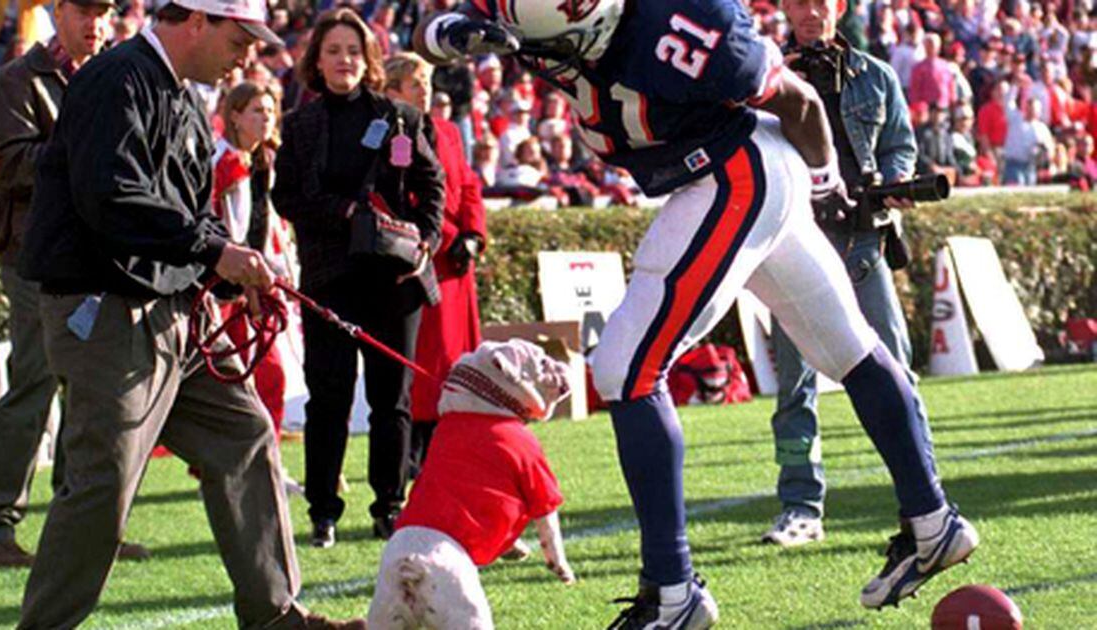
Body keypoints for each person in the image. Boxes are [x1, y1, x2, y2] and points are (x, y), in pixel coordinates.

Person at [416, 0, 978, 626]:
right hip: (720, 176)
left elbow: (799, 103)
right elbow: (427, 36)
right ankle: (934, 523)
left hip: (735, 172)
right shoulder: (525, 13)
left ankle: (672, 591)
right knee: (846, 346)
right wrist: (457, 34)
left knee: (626, 367)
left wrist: (826, 189)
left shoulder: (681, 22)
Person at [13, 0, 363, 625]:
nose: (248, 53)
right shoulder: (117, 78)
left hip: (172, 310)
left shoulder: (175, 93)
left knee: (246, 435)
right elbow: (112, 197)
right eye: (240, 36)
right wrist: (216, 252)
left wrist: (227, 272)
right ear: (196, 21)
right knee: (103, 487)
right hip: (110, 314)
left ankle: (276, 616)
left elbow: (183, 214)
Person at [0, 0, 150, 569]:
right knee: (34, 385)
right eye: (84, 10)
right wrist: (86, 156)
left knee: (91, 392)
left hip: (93, 256)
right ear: (58, 12)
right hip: (34, 257)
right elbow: (3, 167)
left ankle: (88, 530)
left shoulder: (114, 74)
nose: (95, 21)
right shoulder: (15, 82)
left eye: (104, 11)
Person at [272, 7, 444, 550]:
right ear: (316, 63)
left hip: (394, 277)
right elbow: (286, 197)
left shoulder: (401, 118)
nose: (344, 60)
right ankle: (323, 510)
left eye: (353, 50)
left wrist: (424, 239)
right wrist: (342, 212)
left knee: (392, 398)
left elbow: (431, 185)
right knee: (329, 397)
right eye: (332, 51)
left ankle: (388, 506)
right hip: (329, 275)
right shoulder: (300, 125)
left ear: (369, 57)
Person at [760, 0, 927, 549]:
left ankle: (923, 499)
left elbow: (900, 145)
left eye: (821, 2)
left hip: (864, 243)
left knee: (898, 373)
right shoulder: (766, 75)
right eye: (799, 2)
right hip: (793, 246)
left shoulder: (876, 76)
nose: (811, 12)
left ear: (840, 8)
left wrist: (896, 179)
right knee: (795, 386)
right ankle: (800, 507)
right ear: (785, 8)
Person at [368, 340, 575, 630]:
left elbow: (469, 497)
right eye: (538, 364)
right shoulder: (516, 439)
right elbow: (545, 506)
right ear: (509, 376)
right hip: (444, 563)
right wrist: (557, 559)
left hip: (398, 552)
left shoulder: (447, 431)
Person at [383, 51, 487, 472]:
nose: (425, 89)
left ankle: (456, 447)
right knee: (427, 362)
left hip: (457, 264)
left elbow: (468, 183)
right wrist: (439, 240)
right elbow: (402, 198)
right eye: (415, 83)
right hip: (422, 259)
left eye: (426, 81)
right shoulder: (392, 134)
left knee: (455, 359)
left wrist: (474, 235)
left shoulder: (447, 130)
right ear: (392, 91)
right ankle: (418, 454)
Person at [210, 80, 302, 495]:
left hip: (260, 284)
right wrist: (251, 290)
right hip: (229, 292)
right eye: (256, 112)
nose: (266, 119)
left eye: (270, 111)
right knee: (242, 381)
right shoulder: (228, 165)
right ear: (234, 116)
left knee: (270, 378)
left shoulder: (262, 160)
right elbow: (236, 232)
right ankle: (242, 468)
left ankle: (267, 464)